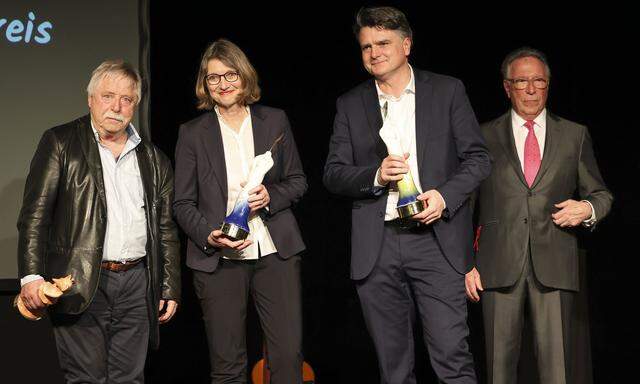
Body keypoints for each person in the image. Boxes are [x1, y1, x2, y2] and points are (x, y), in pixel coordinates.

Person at [323, 6, 490, 383]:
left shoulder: (447, 90)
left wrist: (443, 198)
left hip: (435, 242)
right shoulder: (350, 104)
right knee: (393, 369)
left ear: (407, 44)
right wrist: (376, 176)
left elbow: (478, 159)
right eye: (366, 46)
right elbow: (333, 174)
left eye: (383, 43)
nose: (374, 53)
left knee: (452, 357)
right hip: (377, 247)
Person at [17, 59, 181, 384]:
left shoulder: (153, 158)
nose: (116, 107)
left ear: (135, 105)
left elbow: (165, 228)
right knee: (86, 378)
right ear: (91, 98)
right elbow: (35, 215)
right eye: (108, 96)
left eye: (126, 99)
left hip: (136, 282)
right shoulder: (60, 142)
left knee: (129, 379)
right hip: (78, 280)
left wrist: (169, 285)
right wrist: (31, 277)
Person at [465, 47, 613, 384]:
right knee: (497, 369)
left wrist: (587, 209)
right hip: (496, 264)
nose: (531, 89)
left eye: (539, 81)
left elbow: (601, 194)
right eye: (522, 82)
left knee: (556, 369)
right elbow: (466, 204)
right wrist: (465, 262)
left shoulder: (574, 135)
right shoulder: (482, 136)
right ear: (507, 87)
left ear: (548, 85)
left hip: (556, 262)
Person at [173, 38, 307, 384]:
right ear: (205, 84)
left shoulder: (274, 121)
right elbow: (182, 203)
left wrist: (271, 196)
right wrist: (208, 234)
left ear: (244, 77)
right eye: (213, 77)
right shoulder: (191, 134)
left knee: (287, 357)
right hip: (219, 258)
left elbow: (297, 181)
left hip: (275, 251)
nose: (222, 84)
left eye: (230, 75)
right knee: (227, 364)